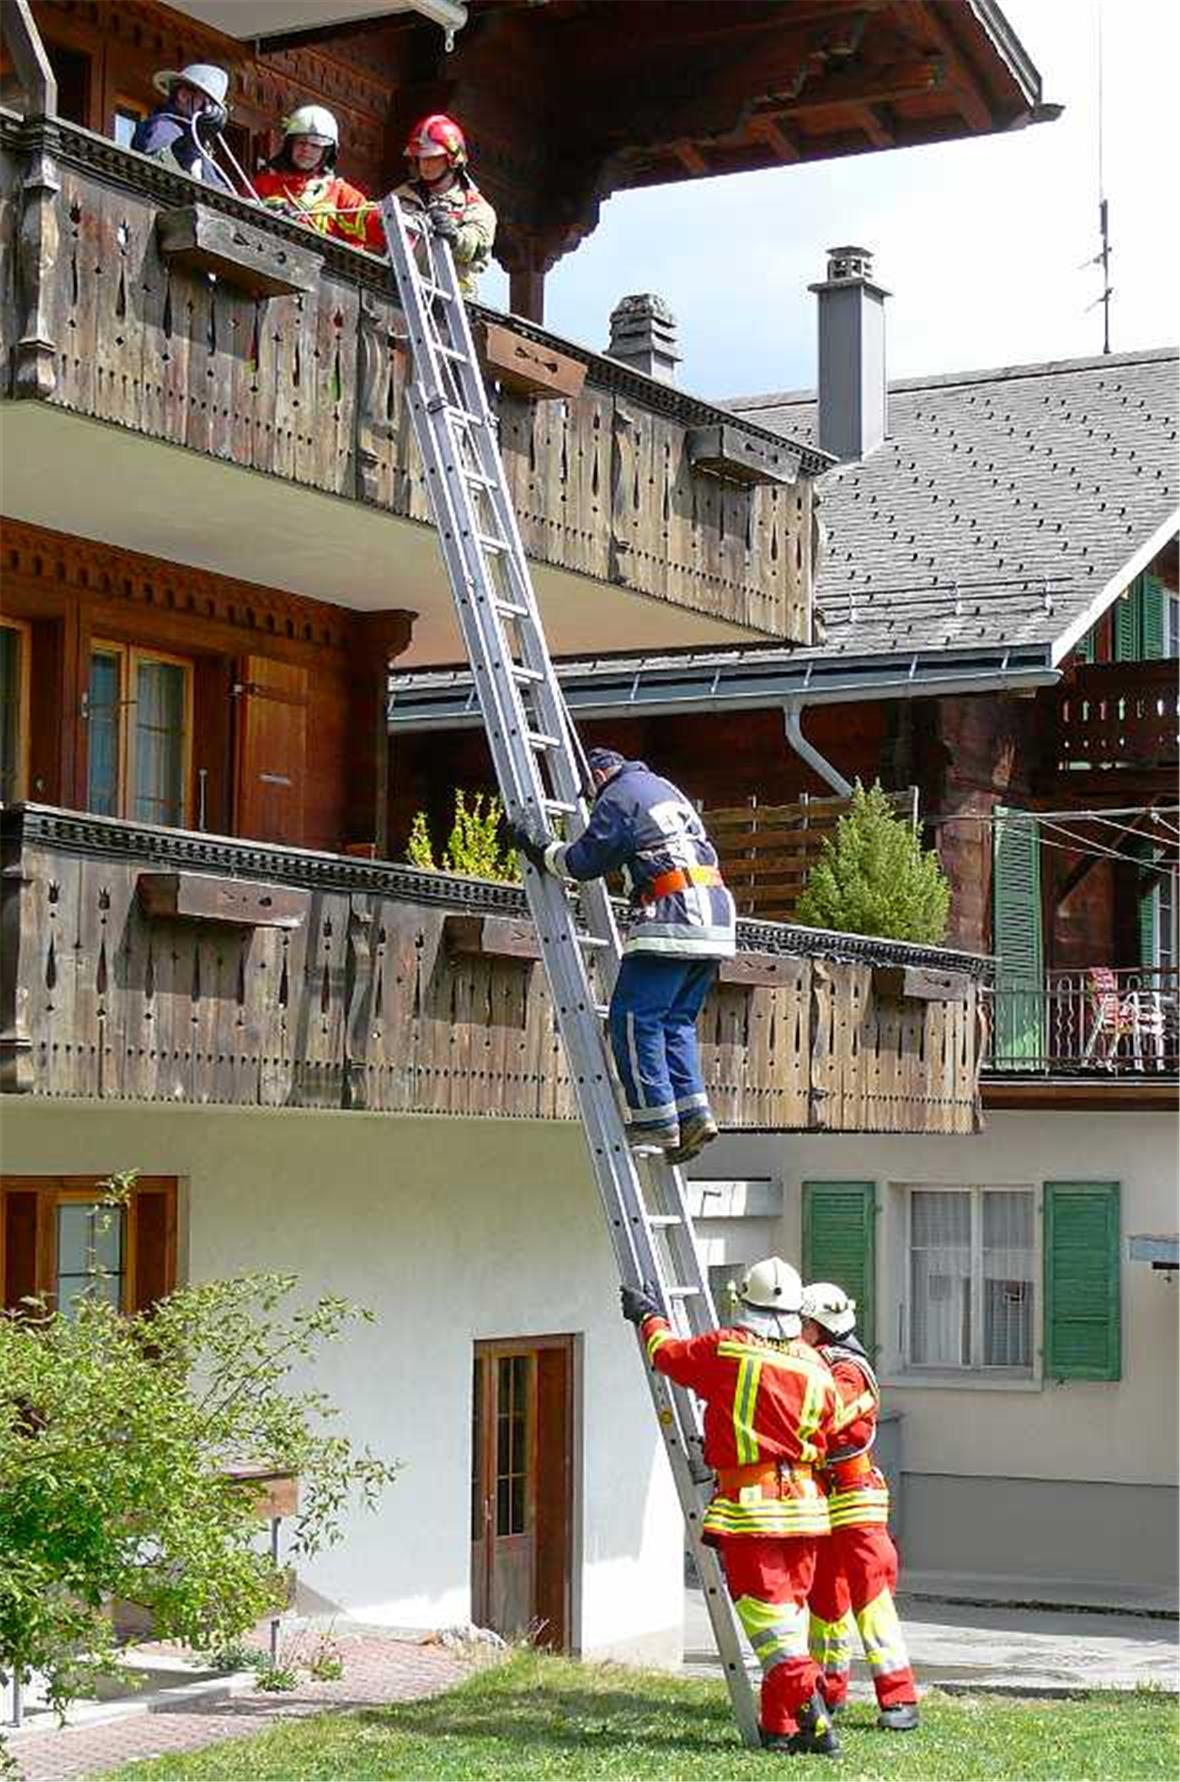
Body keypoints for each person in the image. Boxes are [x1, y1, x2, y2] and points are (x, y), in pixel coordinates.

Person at [621, 1258, 841, 1755]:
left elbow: (670, 1357)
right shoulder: (817, 1366)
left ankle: (816, 1715)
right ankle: (780, 1729)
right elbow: (828, 1430)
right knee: (786, 1622)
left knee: (769, 1627)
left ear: (746, 1302)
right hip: (807, 1512)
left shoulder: (730, 1349)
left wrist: (647, 1317)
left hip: (752, 1508)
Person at [509, 748, 734, 1164]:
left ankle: (655, 1120)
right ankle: (693, 1114)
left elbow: (583, 862)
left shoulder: (618, 796)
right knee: (675, 1022)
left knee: (633, 1019)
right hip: (716, 918)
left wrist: (539, 847)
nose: (592, 803)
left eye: (589, 794)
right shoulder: (662, 788)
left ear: (597, 776)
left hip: (673, 912)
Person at [801, 1281, 920, 1732]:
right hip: (824, 1498)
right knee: (825, 1600)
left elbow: (821, 1417)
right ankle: (828, 1692)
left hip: (856, 1498)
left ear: (817, 1326)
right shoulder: (820, 1362)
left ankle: (899, 1698)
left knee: (871, 1597)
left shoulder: (849, 1372)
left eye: (801, 1323)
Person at [253, 106, 386, 253]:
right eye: (301, 142)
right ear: (288, 145)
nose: (306, 149)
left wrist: (392, 220)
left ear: (327, 152)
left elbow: (376, 228)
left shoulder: (342, 194)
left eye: (316, 145)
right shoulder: (264, 184)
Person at [395, 113, 496, 297]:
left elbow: (477, 244)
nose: (425, 164)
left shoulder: (476, 206)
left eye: (432, 157)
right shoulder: (399, 196)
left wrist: (454, 237)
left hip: (450, 305)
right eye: (421, 157)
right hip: (400, 293)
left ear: (452, 159)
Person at [130, 63, 235, 193]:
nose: (210, 112)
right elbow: (159, 169)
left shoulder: (198, 144)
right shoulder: (163, 127)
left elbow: (215, 187)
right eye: (208, 103)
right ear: (183, 95)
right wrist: (190, 143)